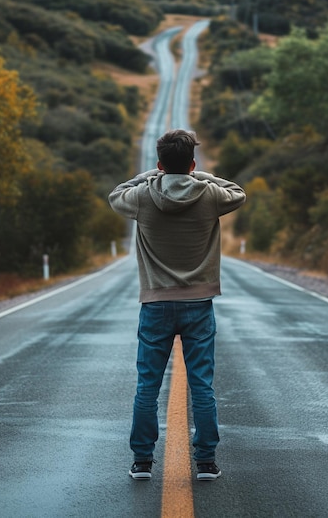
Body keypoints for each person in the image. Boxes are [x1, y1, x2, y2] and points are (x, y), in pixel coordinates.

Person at [108, 129, 246, 481]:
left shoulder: (142, 196)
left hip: (155, 304)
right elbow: (238, 192)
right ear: (192, 163)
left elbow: (116, 194)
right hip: (199, 303)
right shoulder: (210, 193)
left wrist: (151, 176)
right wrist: (198, 176)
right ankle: (205, 462)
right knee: (202, 385)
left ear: (159, 164)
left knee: (147, 386)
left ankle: (142, 461)